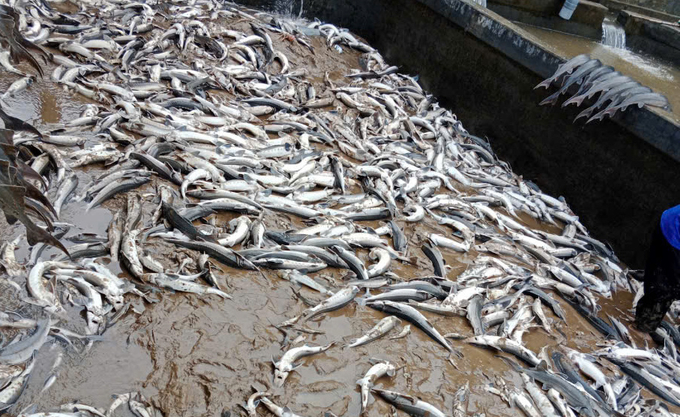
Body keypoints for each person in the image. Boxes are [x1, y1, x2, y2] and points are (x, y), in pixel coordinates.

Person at [635, 204, 680, 332]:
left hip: (669, 219)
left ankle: (642, 314)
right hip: (674, 231)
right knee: (670, 286)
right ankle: (643, 327)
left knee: (658, 274)